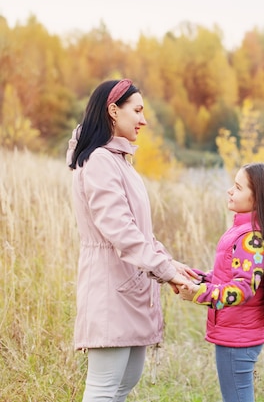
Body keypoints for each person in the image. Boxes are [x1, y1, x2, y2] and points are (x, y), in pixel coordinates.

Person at [66, 78, 197, 402]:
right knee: (103, 390)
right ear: (113, 110)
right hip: (110, 287)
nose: (144, 119)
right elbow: (120, 230)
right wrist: (165, 272)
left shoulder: (118, 160)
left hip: (132, 284)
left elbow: (139, 231)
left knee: (123, 384)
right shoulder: (98, 161)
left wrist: (171, 264)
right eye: (137, 110)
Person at [179, 162, 264, 402]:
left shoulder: (250, 238)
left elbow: (243, 289)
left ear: (258, 198)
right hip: (237, 332)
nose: (229, 191)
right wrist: (195, 277)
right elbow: (227, 278)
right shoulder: (244, 232)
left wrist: (199, 293)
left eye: (237, 187)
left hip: (238, 336)